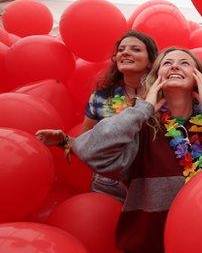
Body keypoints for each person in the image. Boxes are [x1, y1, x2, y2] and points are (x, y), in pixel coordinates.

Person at [41, 47, 202, 253]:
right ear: (156, 77)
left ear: (198, 78)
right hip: (150, 242)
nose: (175, 67)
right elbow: (90, 149)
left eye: (184, 63)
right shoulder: (140, 125)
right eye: (167, 63)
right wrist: (142, 109)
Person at [36, 30, 159, 201]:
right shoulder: (101, 96)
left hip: (156, 185)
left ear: (150, 61)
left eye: (136, 49)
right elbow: (88, 144)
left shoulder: (165, 95)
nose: (125, 52)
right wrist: (63, 140)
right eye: (121, 50)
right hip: (110, 185)